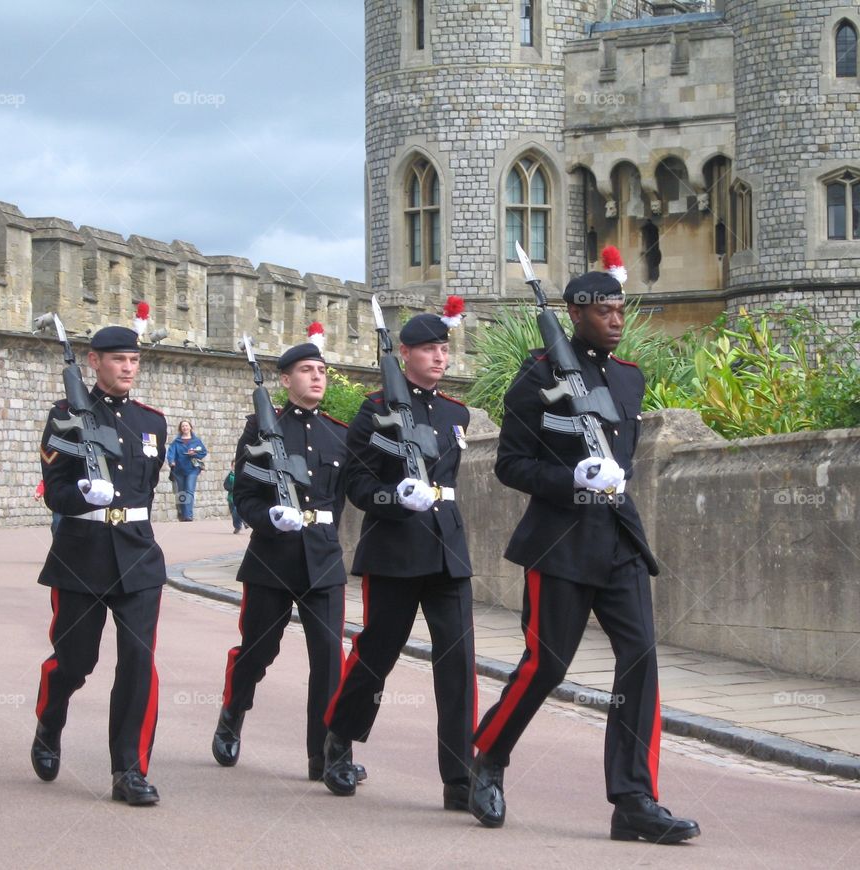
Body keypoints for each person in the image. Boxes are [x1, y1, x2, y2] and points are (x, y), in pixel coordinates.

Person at [467, 256, 700, 844]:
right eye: (604, 312)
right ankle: (489, 756)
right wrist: (573, 478)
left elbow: (623, 456)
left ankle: (633, 800)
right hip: (561, 544)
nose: (616, 320)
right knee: (546, 665)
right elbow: (510, 465)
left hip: (618, 538)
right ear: (575, 314)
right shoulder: (536, 377)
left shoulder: (628, 377)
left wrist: (613, 478)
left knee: (640, 661)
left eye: (620, 309)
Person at [321, 307, 476, 812]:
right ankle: (340, 738)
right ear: (404, 353)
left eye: (444, 349)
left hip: (446, 548)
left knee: (458, 663)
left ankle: (460, 776)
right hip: (394, 547)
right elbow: (357, 483)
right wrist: (395, 497)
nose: (439, 357)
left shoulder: (455, 413)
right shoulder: (375, 409)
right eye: (429, 349)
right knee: (377, 652)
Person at [212, 336, 364, 783]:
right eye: (306, 370)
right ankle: (232, 712)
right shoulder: (260, 430)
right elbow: (244, 496)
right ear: (285, 379)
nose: (316, 377)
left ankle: (326, 756)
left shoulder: (339, 433)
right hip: (272, 558)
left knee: (329, 659)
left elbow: (341, 499)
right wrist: (270, 518)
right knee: (258, 651)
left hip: (322, 557)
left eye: (321, 371)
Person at [31, 324, 168, 806]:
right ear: (94, 362)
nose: (128, 368)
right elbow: (55, 491)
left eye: (134, 360)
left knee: (138, 662)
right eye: (118, 360)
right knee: (75, 661)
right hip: (82, 554)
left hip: (138, 554)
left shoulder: (153, 421)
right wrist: (82, 494)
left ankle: (129, 770)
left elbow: (147, 490)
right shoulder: (65, 416)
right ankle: (50, 720)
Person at [167, 419, 208, 522]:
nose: (185, 427)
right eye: (183, 426)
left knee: (189, 490)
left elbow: (203, 452)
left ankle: (188, 515)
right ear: (180, 429)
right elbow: (171, 453)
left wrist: (194, 453)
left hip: (192, 469)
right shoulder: (176, 442)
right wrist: (171, 461)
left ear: (190, 427)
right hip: (179, 469)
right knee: (182, 492)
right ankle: (183, 514)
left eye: (186, 425)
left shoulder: (196, 441)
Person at [223, 460, 244, 534]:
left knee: (237, 511)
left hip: (239, 498)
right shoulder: (230, 476)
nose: (235, 467)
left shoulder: (241, 475)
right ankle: (237, 527)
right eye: (234, 466)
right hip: (231, 499)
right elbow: (225, 485)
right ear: (232, 466)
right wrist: (232, 488)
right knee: (234, 514)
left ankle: (242, 523)